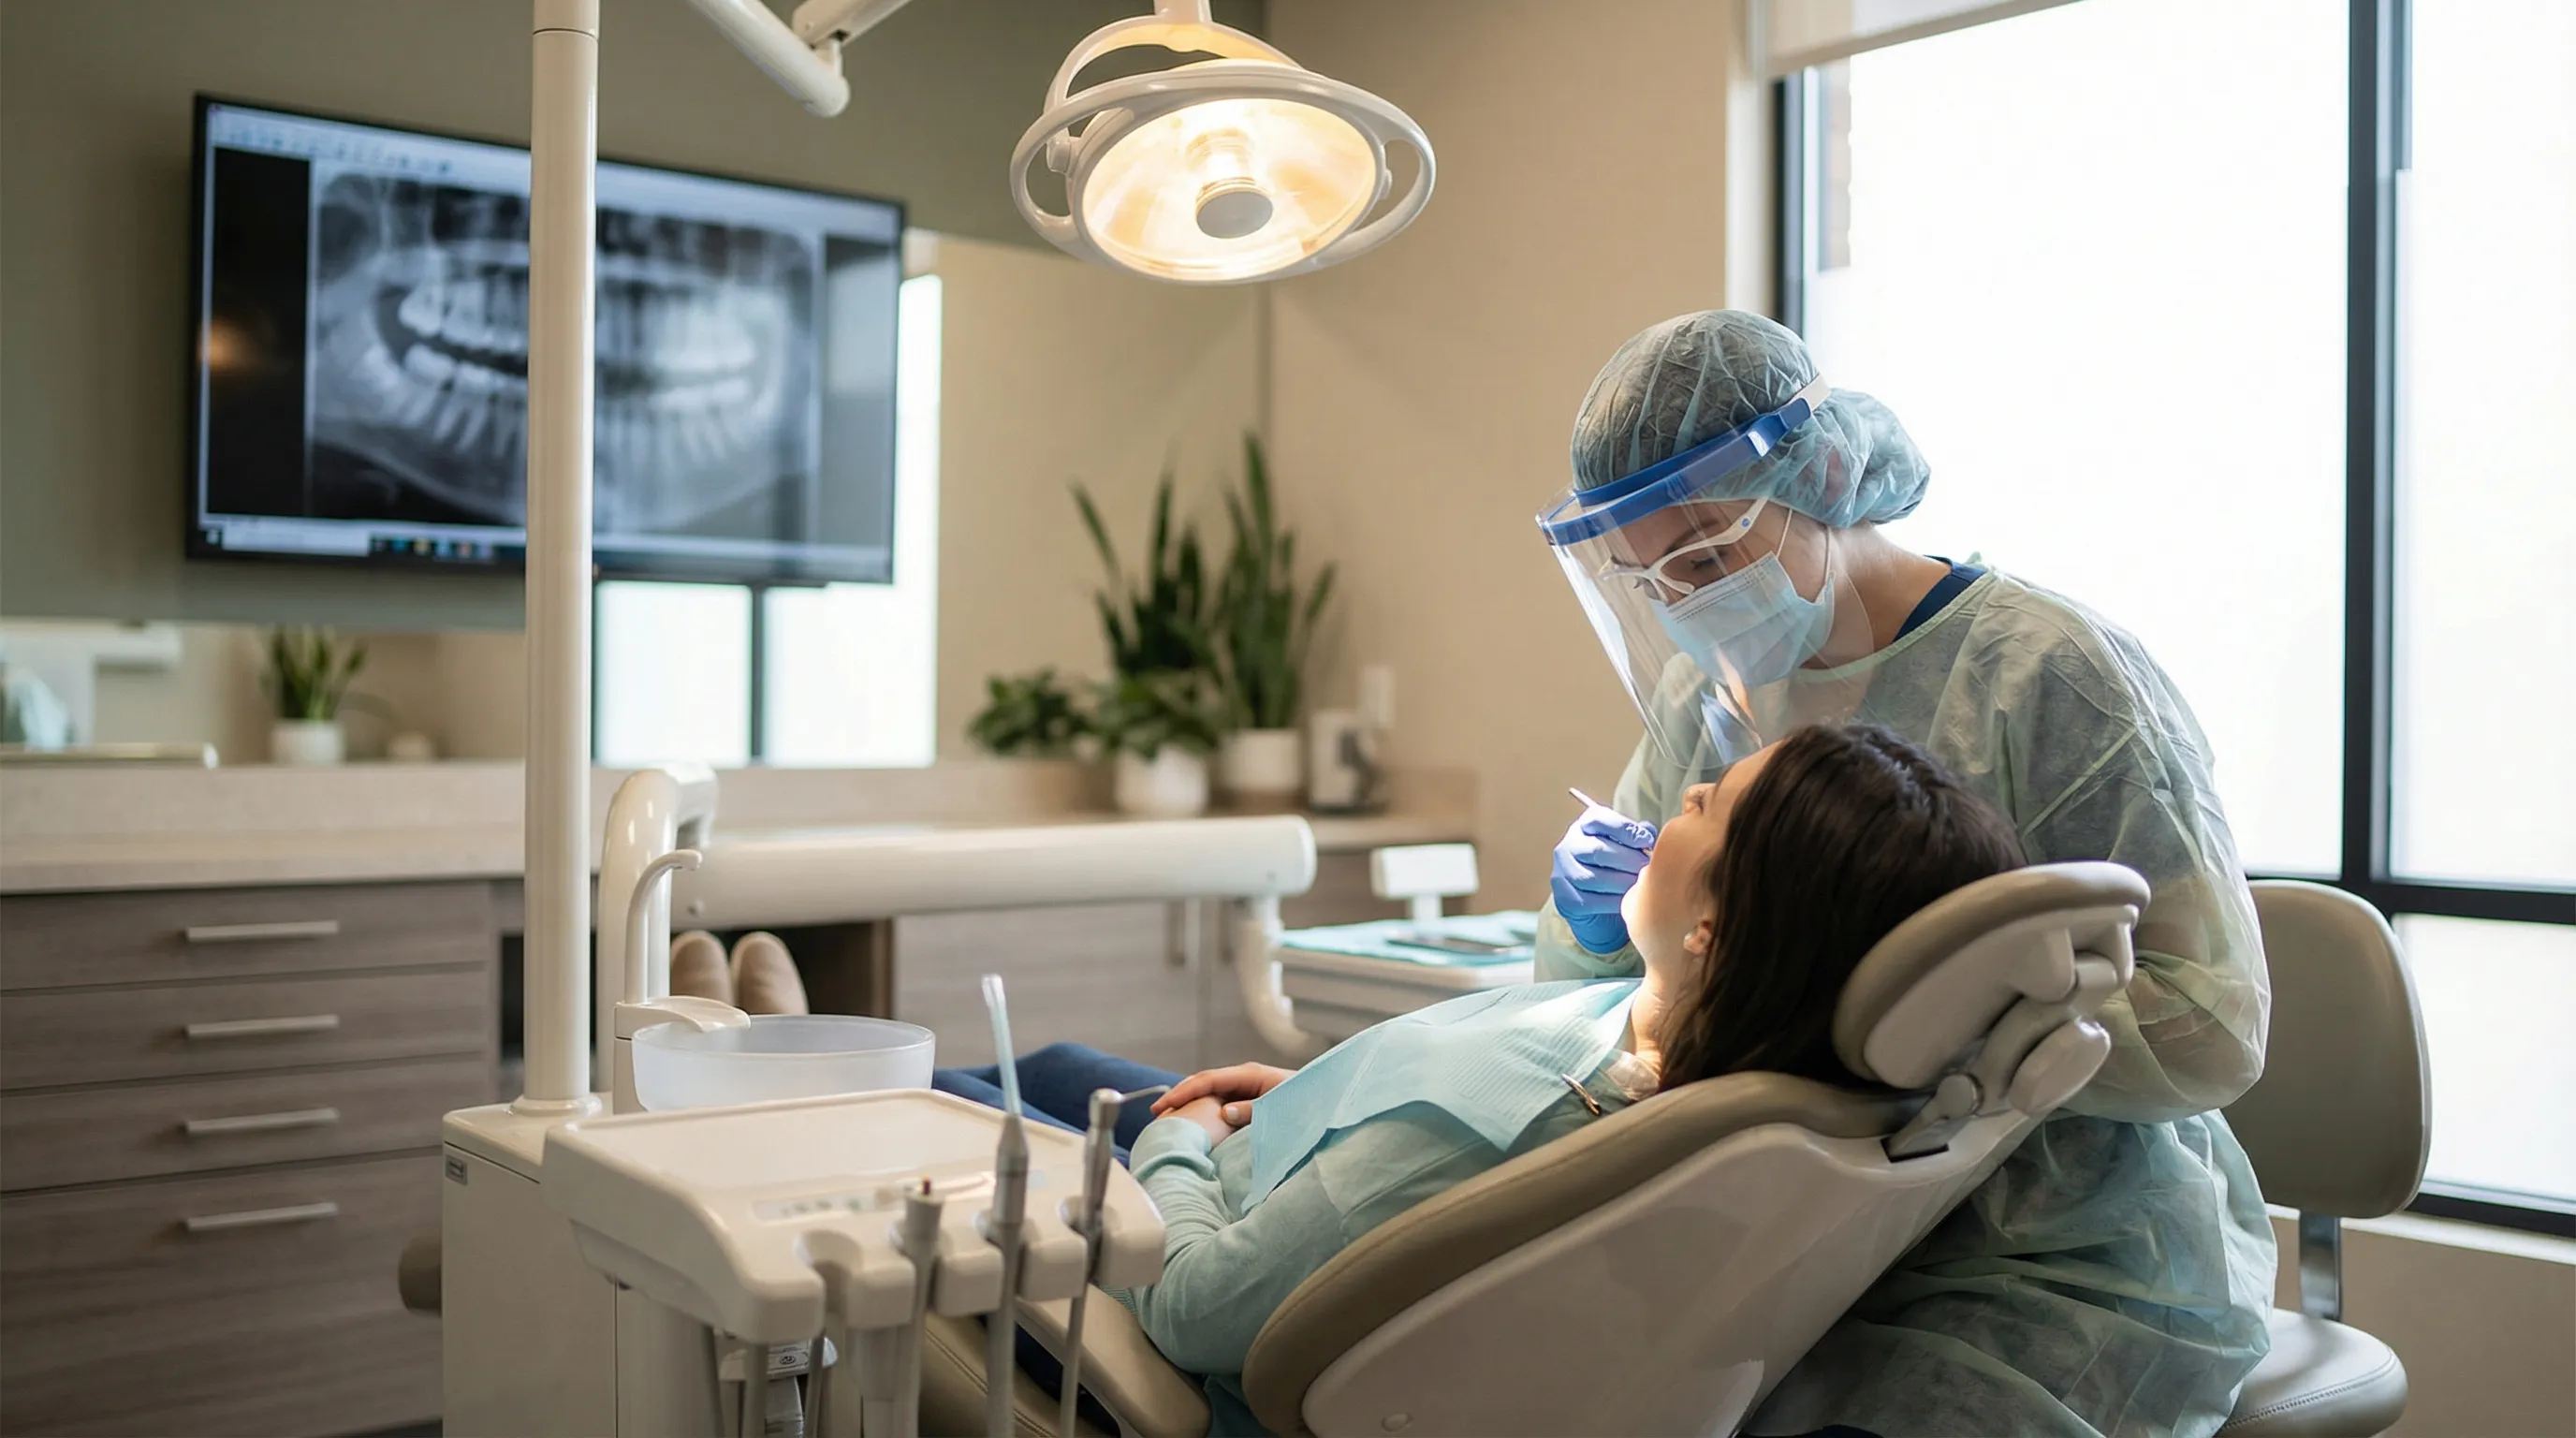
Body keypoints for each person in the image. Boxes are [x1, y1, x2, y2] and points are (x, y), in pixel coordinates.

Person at [1538, 309, 2276, 1437]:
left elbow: (2208, 1029)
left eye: (1706, 557)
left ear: (1823, 477)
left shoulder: (2048, 679)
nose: (1685, 603)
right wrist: (1592, 927)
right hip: (1800, 1244)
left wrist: (1914, 1025)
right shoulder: (1710, 695)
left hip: (2054, 1258)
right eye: (1650, 583)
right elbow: (1650, 965)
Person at [938, 723, 2030, 1436]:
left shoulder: (1488, 1128)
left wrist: (1172, 1145)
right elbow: (1431, 1121)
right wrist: (1326, 1093)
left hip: (1192, 1266)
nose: (1685, 792)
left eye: (1709, 806)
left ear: (1715, 927)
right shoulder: (1713, 1053)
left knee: (929, 1117)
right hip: (1284, 1161)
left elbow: (1193, 1307)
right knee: (1053, 1066)